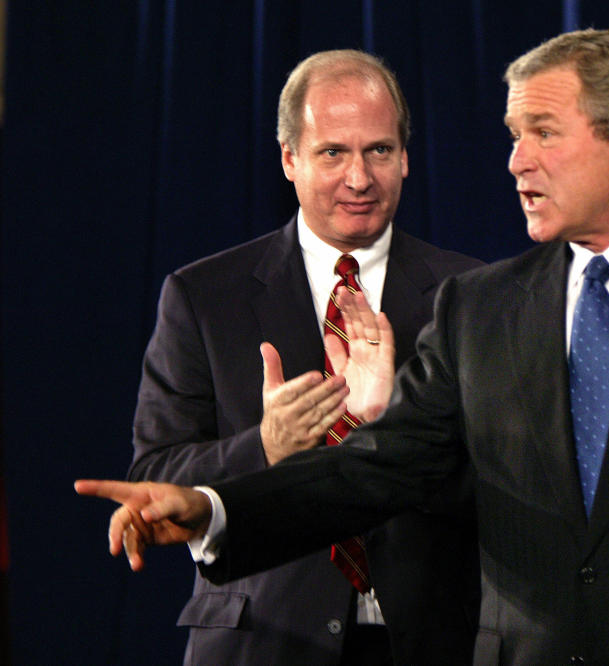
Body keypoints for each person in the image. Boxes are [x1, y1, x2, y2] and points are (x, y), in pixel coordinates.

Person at [79, 29, 609, 664]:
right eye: (512, 135)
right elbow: (376, 470)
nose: (515, 162)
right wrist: (216, 507)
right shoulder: (482, 306)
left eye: (542, 133)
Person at [124, 49, 482, 665]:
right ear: (289, 159)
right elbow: (153, 480)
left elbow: (508, 478)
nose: (360, 178)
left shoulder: (472, 296)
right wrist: (265, 447)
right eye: (332, 153)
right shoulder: (205, 296)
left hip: (430, 640)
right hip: (264, 640)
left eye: (379, 151)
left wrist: (388, 423)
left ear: (406, 157)